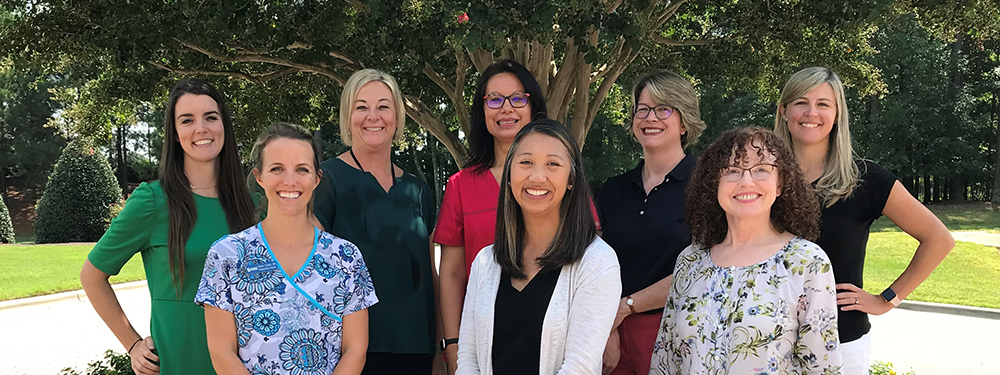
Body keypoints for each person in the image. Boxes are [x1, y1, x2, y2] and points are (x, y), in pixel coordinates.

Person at [774, 67, 954, 374]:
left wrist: (886, 300)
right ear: (784, 111)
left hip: (842, 343)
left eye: (823, 104)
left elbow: (939, 239)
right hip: (765, 338)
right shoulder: (759, 177)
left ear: (838, 114)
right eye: (801, 102)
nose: (811, 112)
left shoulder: (865, 180)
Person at [80, 78, 257, 375]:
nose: (201, 128)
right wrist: (133, 344)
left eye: (211, 117)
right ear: (174, 133)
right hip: (180, 362)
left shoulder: (251, 205)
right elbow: (92, 276)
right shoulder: (152, 201)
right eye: (187, 120)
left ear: (224, 125)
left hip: (247, 363)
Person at [649, 127, 842, 374]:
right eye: (732, 171)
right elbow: (665, 360)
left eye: (761, 169)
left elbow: (823, 367)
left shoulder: (806, 262)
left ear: (781, 183)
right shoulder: (691, 260)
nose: (746, 181)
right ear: (714, 184)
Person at [196, 122, 378, 375]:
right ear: (260, 177)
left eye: (302, 169)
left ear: (317, 178)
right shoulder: (227, 256)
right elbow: (221, 351)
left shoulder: (345, 258)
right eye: (277, 168)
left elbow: (355, 349)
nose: (290, 181)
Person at [456, 119, 622, 375]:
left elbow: (581, 367)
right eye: (526, 162)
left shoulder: (597, 263)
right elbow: (468, 360)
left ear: (571, 180)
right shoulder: (485, 262)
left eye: (553, 164)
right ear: (509, 176)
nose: (537, 176)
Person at [313, 69, 438, 374]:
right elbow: (311, 270)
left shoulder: (418, 190)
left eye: (383, 106)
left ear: (397, 115)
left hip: (416, 348)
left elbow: (431, 274)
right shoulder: (324, 179)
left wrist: (440, 347)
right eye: (361, 107)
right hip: (351, 351)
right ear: (347, 116)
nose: (373, 116)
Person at [433, 59, 548, 373]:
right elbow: (453, 274)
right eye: (494, 99)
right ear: (482, 111)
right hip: (482, 340)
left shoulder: (560, 177)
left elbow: (588, 255)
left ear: (533, 106)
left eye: (517, 99)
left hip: (552, 334)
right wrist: (453, 343)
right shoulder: (461, 186)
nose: (506, 108)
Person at [596, 70, 705, 375]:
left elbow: (703, 269)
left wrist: (625, 307)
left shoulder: (707, 185)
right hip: (613, 334)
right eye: (642, 109)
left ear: (684, 122)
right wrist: (609, 326)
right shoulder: (613, 189)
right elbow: (597, 266)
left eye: (662, 109)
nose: (650, 117)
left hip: (676, 331)